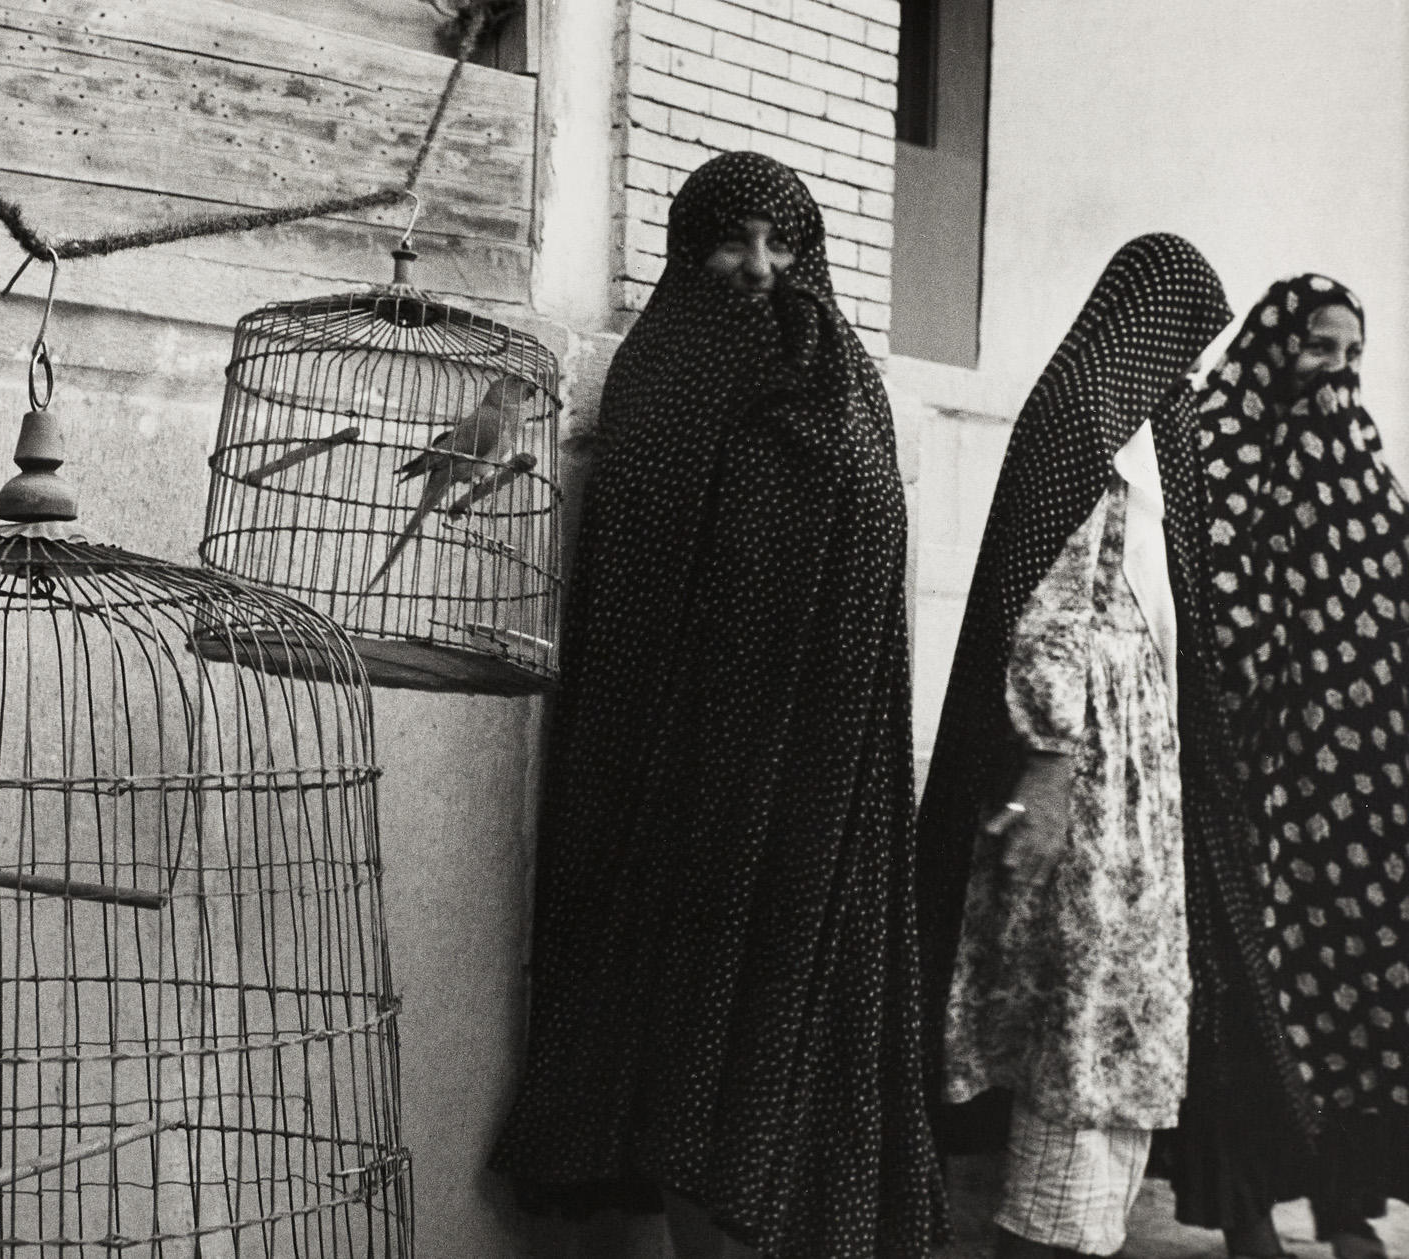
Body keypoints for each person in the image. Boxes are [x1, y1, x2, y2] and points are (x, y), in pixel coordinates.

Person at [488, 151, 943, 1259]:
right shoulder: (658, 371)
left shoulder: (848, 380)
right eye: (733, 242)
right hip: (677, 773)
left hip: (814, 774)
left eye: (781, 243)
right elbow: (568, 402)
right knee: (682, 1026)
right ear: (691, 250)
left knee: (782, 1030)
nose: (758, 267)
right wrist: (502, 402)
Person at [914, 235, 1302, 1259]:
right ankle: (1045, 1235)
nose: (1190, 376)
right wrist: (1045, 772)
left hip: (1136, 778)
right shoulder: (1082, 430)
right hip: (1086, 785)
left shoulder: (1134, 442)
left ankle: (1070, 1227)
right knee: (1080, 1025)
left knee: (1110, 1024)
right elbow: (1047, 617)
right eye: (1182, 347)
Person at [1178, 274, 1409, 1259]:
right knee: (1255, 1001)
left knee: (1356, 1002)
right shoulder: (1220, 449)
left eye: (1353, 353)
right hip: (1255, 793)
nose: (1338, 373)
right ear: (1276, 346)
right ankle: (1245, 1207)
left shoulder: (1365, 469)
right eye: (1320, 347)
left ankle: (1346, 1200)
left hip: (1355, 808)